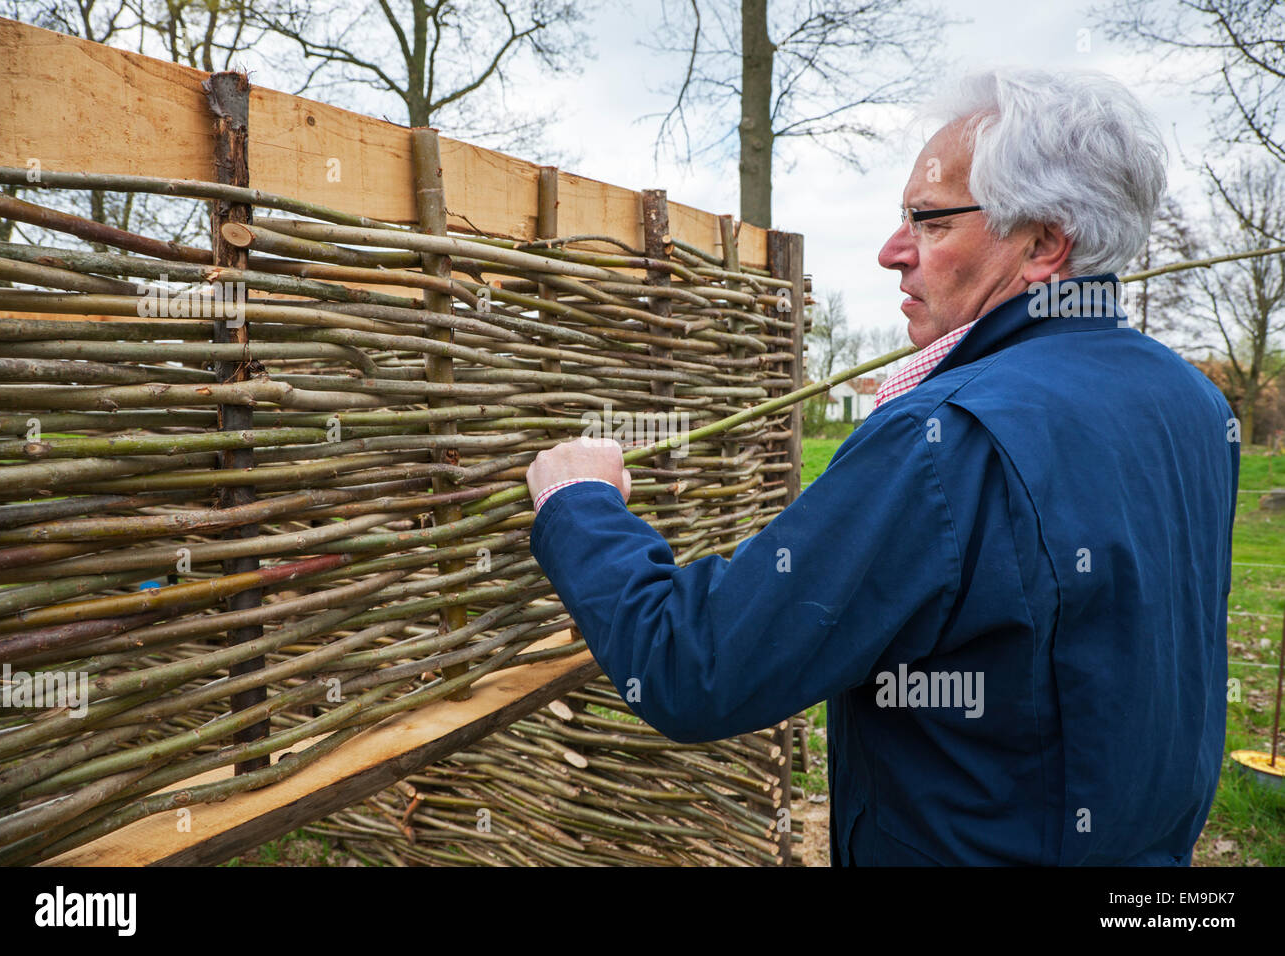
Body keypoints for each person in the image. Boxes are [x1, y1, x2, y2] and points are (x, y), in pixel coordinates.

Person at [526, 68, 1240, 866]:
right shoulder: (1195, 405)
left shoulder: (949, 438)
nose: (890, 252)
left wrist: (577, 503)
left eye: (929, 222)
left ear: (1042, 243)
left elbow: (694, 667)